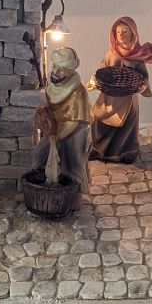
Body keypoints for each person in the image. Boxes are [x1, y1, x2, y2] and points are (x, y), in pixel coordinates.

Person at [88, 17, 152, 164]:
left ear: (133, 33)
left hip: (128, 97)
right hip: (109, 95)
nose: (121, 35)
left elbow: (143, 76)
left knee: (127, 125)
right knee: (100, 119)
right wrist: (94, 81)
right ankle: (98, 149)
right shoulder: (111, 53)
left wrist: (143, 86)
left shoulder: (137, 57)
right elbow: (101, 69)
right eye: (118, 31)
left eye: (125, 31)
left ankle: (126, 151)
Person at [34, 47, 93, 208]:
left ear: (70, 71)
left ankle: (76, 194)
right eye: (55, 67)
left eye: (61, 69)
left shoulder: (77, 91)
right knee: (40, 153)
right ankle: (41, 187)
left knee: (74, 159)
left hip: (75, 128)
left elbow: (74, 121)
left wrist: (57, 137)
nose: (56, 72)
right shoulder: (52, 83)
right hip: (57, 127)